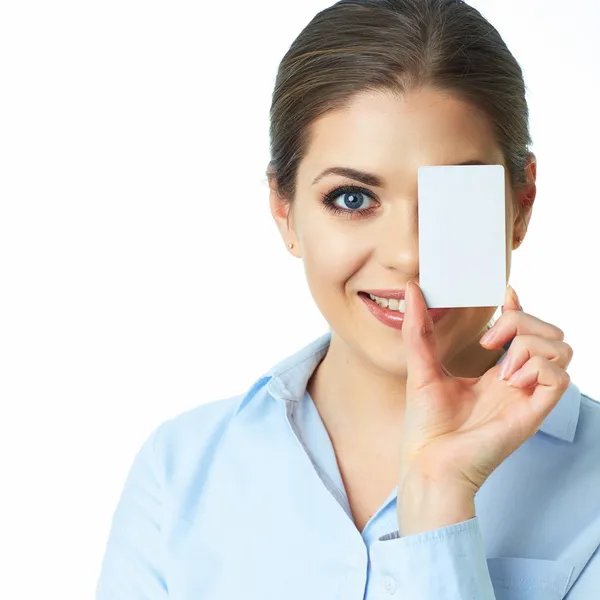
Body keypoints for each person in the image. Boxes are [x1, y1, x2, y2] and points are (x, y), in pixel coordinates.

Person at [96, 0, 600, 598]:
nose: (410, 256)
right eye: (353, 199)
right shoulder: (178, 474)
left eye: (455, 199)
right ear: (285, 212)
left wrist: (439, 499)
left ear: (521, 204)